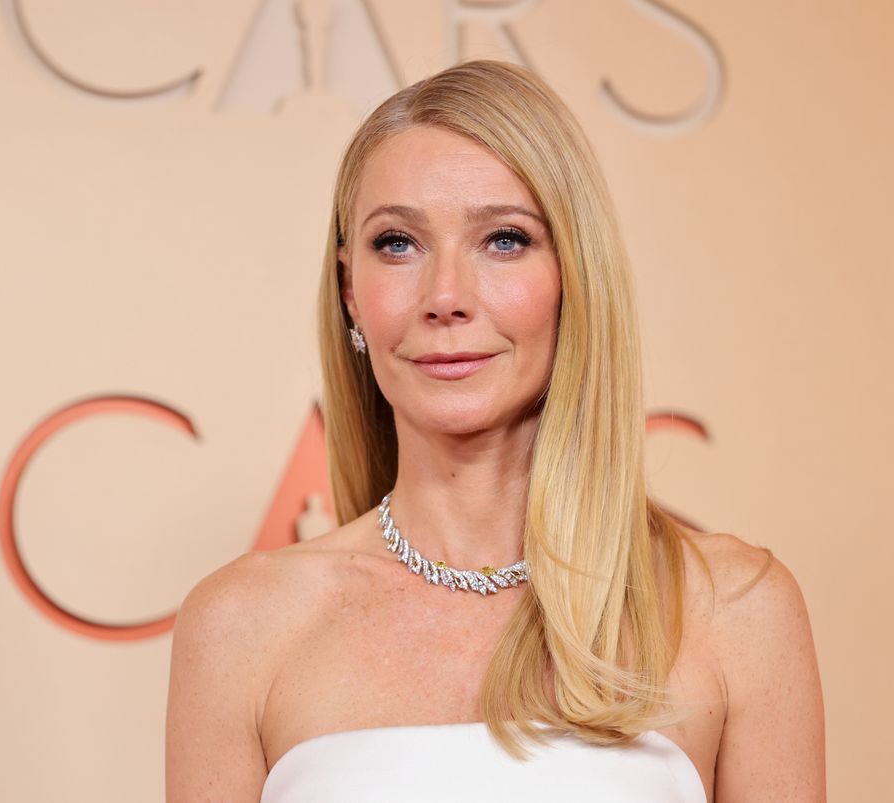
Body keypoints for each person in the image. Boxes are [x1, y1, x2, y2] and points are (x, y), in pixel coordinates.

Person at [165, 58, 825, 802]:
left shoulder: (734, 609)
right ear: (351, 290)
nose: (446, 296)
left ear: (574, 275)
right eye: (397, 244)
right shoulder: (241, 627)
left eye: (504, 239)